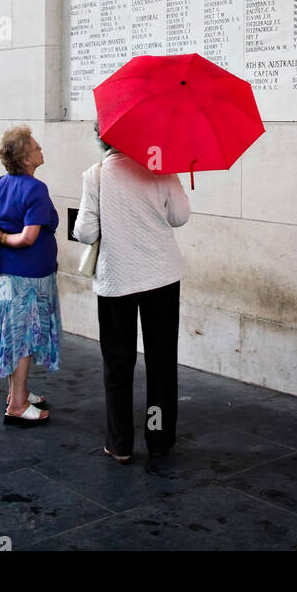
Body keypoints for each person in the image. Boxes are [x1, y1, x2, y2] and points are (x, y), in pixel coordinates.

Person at [73, 121, 191, 463]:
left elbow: (84, 231)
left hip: (117, 280)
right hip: (162, 277)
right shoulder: (161, 166)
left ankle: (120, 443)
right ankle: (158, 438)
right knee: (161, 360)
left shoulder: (94, 175)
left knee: (118, 362)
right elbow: (180, 216)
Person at [0, 124, 62, 425]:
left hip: (4, 275)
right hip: (26, 278)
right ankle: (16, 405)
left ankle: (20, 392)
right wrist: (6, 239)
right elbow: (28, 238)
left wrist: (2, 239)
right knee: (24, 338)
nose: (41, 149)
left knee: (13, 335)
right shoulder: (35, 189)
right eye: (36, 146)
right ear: (26, 159)